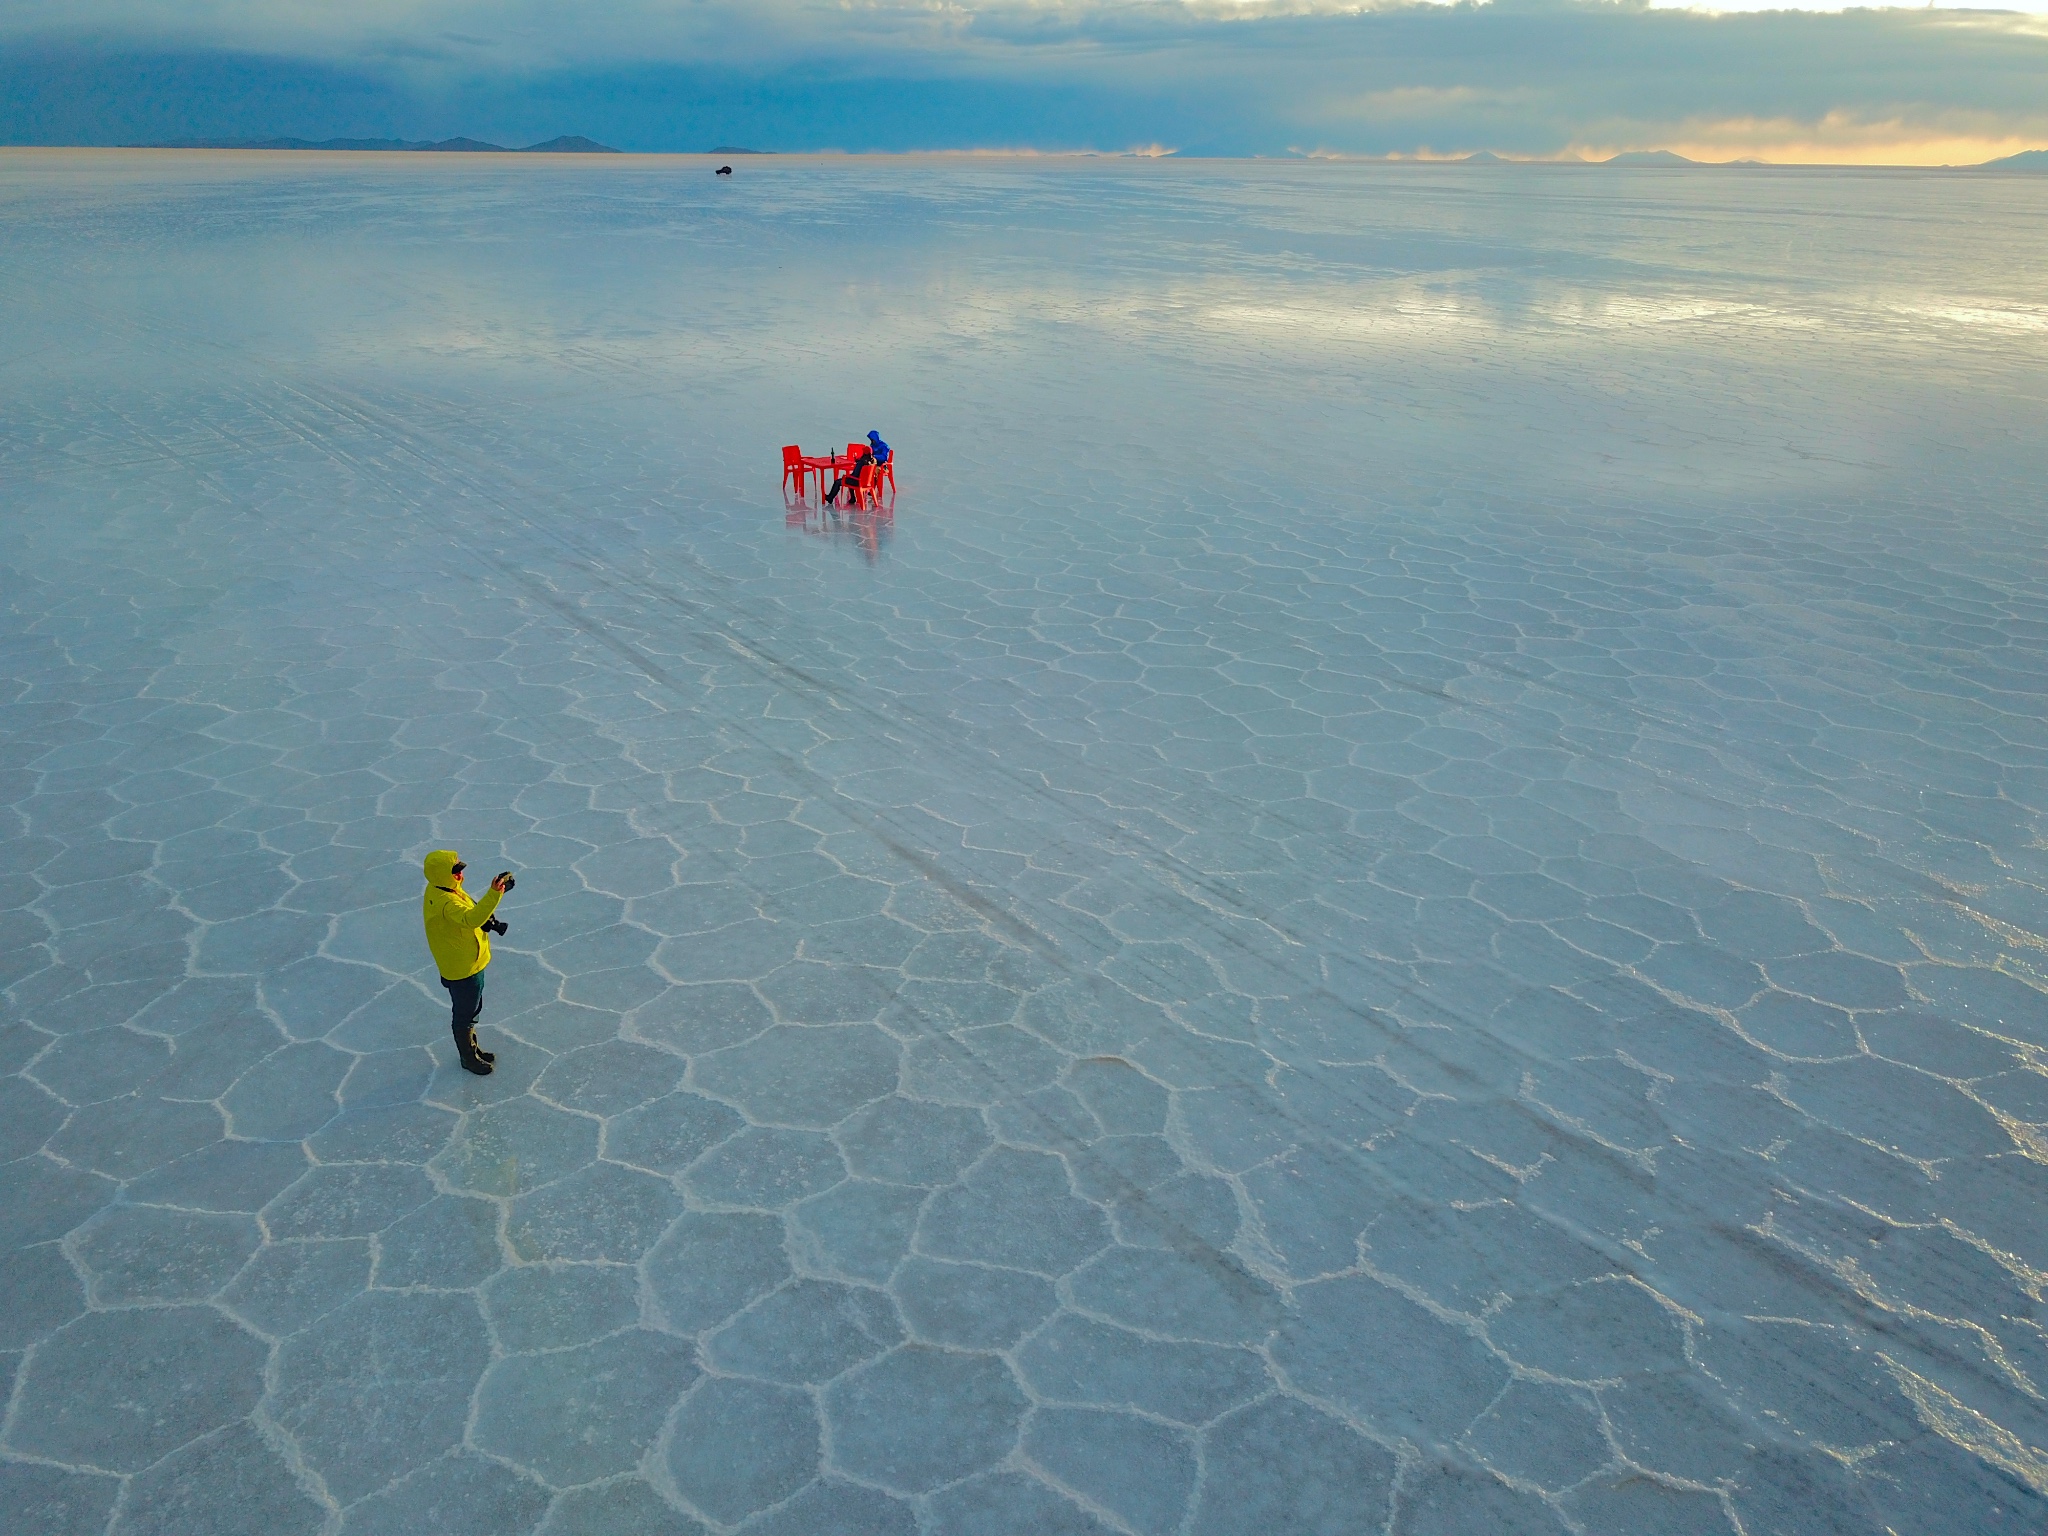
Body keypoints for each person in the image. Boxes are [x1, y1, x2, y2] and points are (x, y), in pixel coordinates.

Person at [421, 850, 512, 1075]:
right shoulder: (446, 902)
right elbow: (470, 918)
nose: (460, 875)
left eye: (460, 870)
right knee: (466, 1012)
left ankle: (472, 1049)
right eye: (455, 871)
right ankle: (468, 1057)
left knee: (471, 1009)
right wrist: (495, 894)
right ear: (442, 874)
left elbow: (468, 914)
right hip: (463, 969)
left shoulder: (441, 888)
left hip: (464, 963)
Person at [824, 430, 890, 506]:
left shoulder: (861, 463)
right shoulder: (869, 463)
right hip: (866, 480)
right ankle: (853, 498)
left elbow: (884, 457)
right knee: (850, 478)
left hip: (858, 481)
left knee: (839, 481)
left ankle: (830, 498)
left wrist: (847, 476)